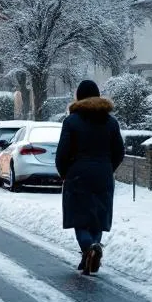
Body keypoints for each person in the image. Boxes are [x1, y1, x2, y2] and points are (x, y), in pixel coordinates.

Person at [55, 80, 125, 276]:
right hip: (103, 173)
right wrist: (108, 169)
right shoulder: (111, 122)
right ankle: (92, 249)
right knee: (97, 216)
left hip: (78, 173)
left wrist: (65, 174)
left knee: (80, 216)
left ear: (78, 97)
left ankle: (89, 247)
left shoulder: (71, 121)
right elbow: (119, 151)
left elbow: (62, 153)